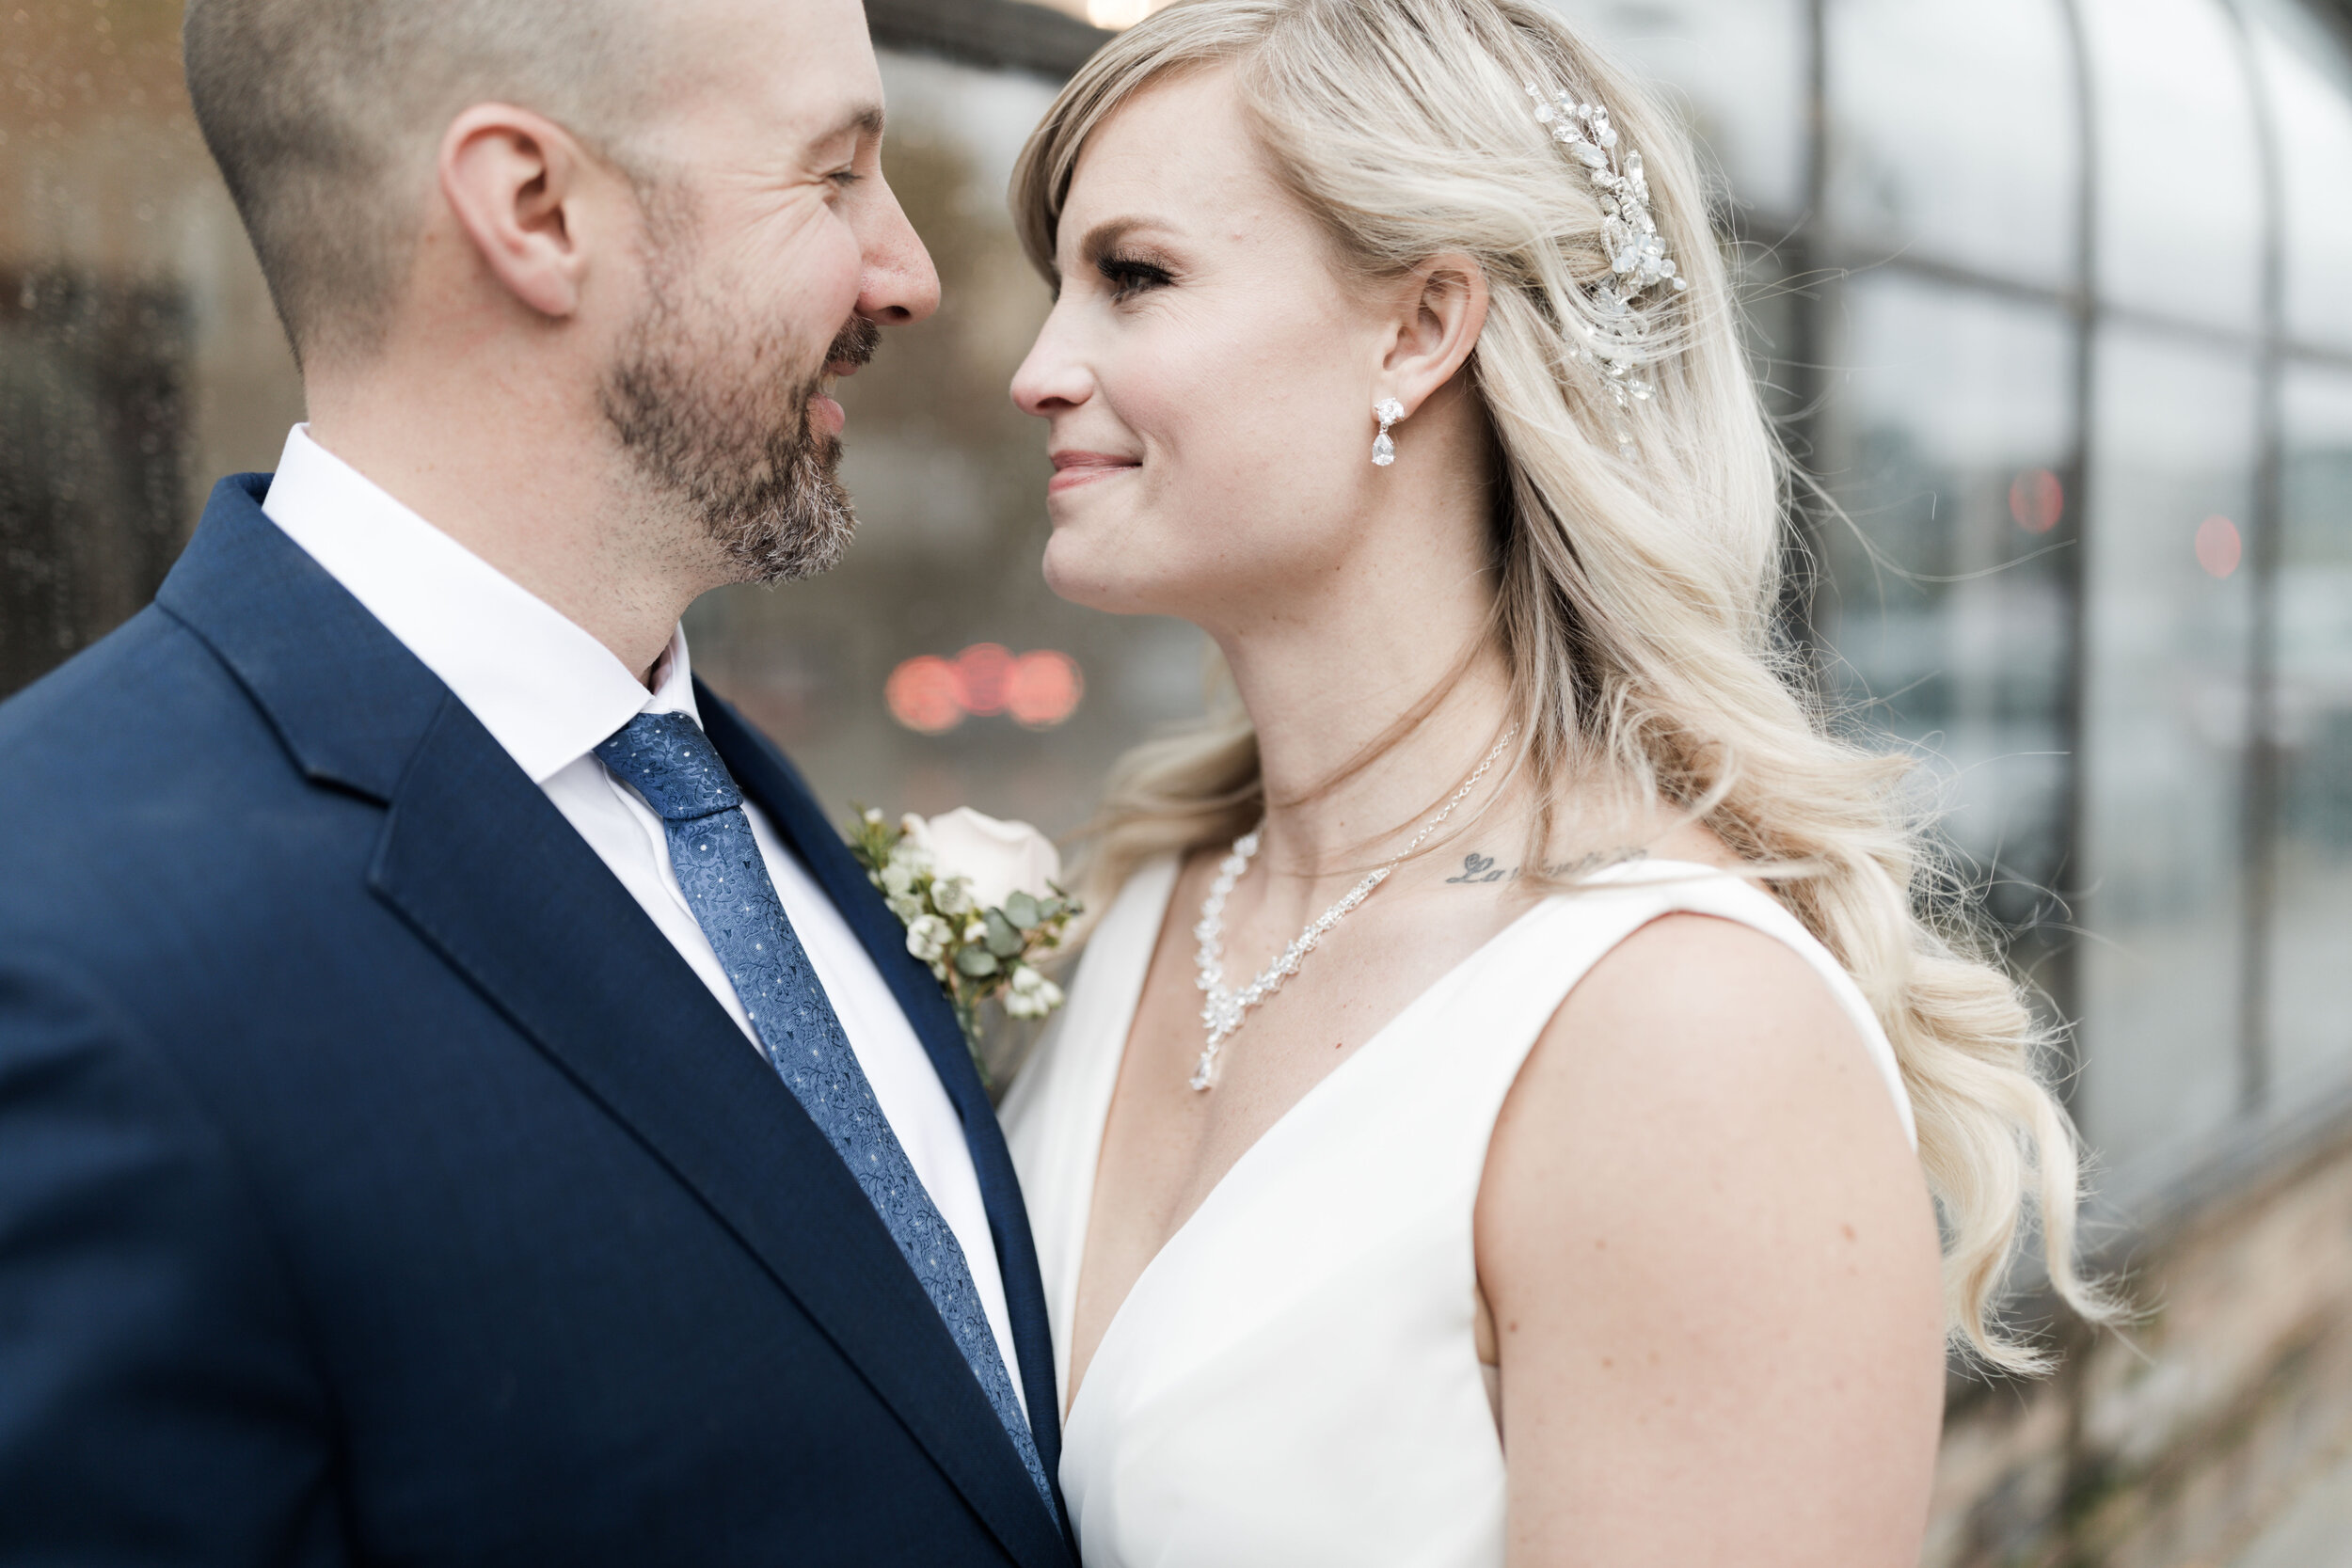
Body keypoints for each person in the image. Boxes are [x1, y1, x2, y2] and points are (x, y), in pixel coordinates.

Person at [999, 1, 2112, 1563]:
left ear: (1417, 328)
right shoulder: (1145, 904)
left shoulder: (1684, 1037)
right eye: (1061, 287)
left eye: (1135, 277)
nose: (1038, 369)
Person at [0, 1, 1072, 1563]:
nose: (906, 273)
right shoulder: (60, 944)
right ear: (533, 211)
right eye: (835, 175)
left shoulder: (740, 804)